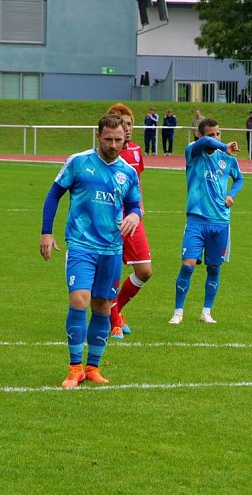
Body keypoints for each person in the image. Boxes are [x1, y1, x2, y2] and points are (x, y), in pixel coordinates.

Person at [39, 114, 142, 388]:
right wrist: (46, 232)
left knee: (103, 306)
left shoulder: (128, 173)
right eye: (108, 139)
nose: (113, 144)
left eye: (119, 140)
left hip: (111, 248)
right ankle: (75, 369)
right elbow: (54, 194)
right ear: (98, 136)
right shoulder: (79, 162)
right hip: (81, 244)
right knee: (79, 301)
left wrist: (134, 216)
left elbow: (134, 206)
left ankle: (93, 368)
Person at [168, 118, 245, 325]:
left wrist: (231, 194)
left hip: (220, 221)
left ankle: (206, 311)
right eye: (211, 135)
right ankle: (178, 312)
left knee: (214, 268)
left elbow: (239, 178)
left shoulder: (227, 158)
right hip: (196, 219)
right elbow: (204, 145)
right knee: (188, 265)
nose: (216, 138)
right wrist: (221, 145)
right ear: (200, 136)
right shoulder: (193, 151)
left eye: (218, 134)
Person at [104, 103, 152, 339]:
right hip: (110, 219)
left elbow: (137, 179)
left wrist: (140, 205)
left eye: (130, 123)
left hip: (133, 218)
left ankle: (117, 310)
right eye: (123, 124)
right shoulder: (108, 152)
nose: (128, 128)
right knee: (111, 270)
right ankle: (113, 321)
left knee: (144, 270)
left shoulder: (135, 150)